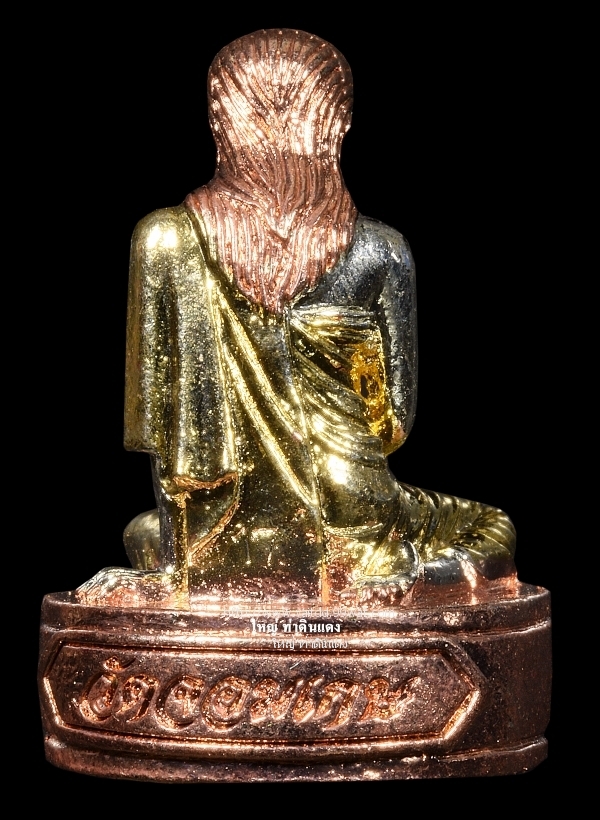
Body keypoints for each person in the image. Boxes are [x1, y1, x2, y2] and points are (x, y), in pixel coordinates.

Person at [79, 29, 515, 609]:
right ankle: (417, 577)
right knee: (492, 527)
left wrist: (184, 565)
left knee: (142, 532)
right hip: (349, 513)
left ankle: (202, 574)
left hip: (207, 531)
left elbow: (165, 438)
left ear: (220, 122)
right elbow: (391, 427)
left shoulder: (163, 239)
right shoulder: (380, 251)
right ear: (338, 125)